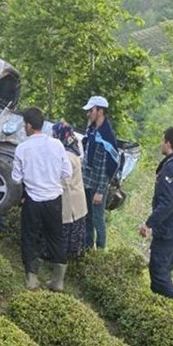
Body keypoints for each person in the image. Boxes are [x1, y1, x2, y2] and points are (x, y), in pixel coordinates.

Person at [12, 107, 71, 291]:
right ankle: (58, 281)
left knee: (30, 237)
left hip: (33, 200)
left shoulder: (22, 148)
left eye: (24, 125)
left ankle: (32, 279)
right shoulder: (57, 145)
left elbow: (16, 178)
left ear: (29, 125)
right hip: (54, 199)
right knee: (55, 237)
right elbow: (67, 172)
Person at [139, 127, 173, 299]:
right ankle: (160, 307)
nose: (160, 144)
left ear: (168, 143)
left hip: (170, 227)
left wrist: (149, 223)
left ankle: (172, 307)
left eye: (162, 140)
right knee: (165, 268)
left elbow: (167, 204)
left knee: (158, 271)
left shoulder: (172, 167)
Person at [82, 95, 120, 250]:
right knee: (87, 218)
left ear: (100, 111)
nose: (89, 113)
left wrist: (100, 191)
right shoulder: (92, 130)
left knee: (98, 220)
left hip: (98, 186)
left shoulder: (107, 137)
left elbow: (107, 168)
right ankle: (87, 249)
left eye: (91, 110)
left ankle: (100, 252)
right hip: (87, 181)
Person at [51, 121, 88, 258]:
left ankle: (59, 261)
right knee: (75, 236)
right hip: (78, 203)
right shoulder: (74, 152)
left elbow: (62, 182)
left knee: (64, 236)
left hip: (69, 203)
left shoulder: (65, 156)